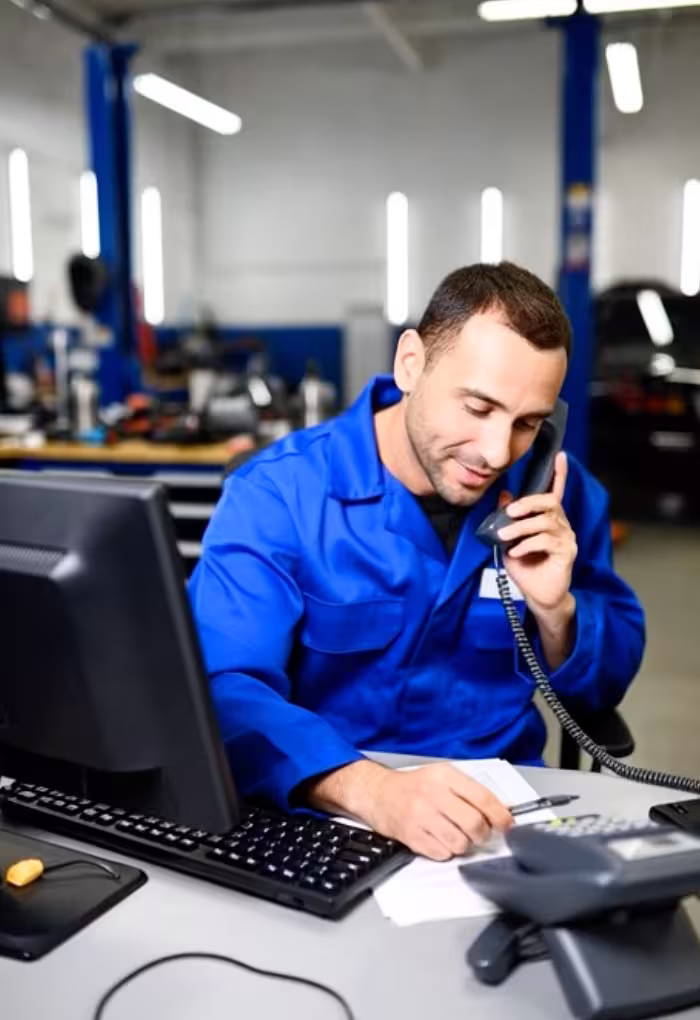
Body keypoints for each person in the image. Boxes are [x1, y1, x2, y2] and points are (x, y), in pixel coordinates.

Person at [188, 262, 645, 861]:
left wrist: (557, 611)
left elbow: (605, 685)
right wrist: (370, 790)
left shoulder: (557, 497)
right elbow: (223, 687)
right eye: (478, 408)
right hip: (327, 809)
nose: (495, 452)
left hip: (502, 816)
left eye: (528, 423)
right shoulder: (281, 495)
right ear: (411, 364)